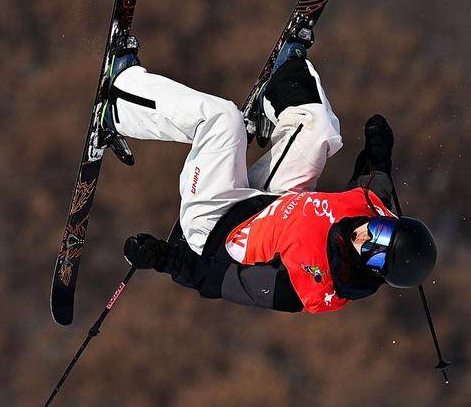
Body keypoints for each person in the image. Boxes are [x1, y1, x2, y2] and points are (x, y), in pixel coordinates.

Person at [108, 34, 437, 313]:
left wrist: (162, 257)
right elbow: (375, 179)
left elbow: (213, 280)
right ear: (388, 221)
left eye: (373, 255)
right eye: (379, 232)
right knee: (319, 131)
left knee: (224, 120)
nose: (365, 239)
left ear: (376, 273)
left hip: (211, 228)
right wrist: (380, 146)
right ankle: (282, 83)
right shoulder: (371, 207)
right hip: (265, 204)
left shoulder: (309, 285)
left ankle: (121, 103)